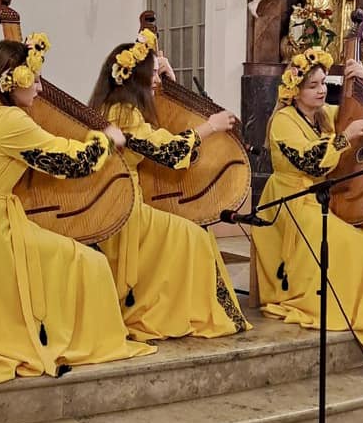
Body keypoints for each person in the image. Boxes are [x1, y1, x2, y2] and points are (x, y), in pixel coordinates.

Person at [0, 34, 155, 384]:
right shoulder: (9, 122)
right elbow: (70, 161)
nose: (41, 89)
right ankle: (84, 338)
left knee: (64, 252)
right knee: (91, 261)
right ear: (15, 80)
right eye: (36, 80)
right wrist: (106, 139)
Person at [89, 28, 251, 342]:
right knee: (193, 235)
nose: (156, 80)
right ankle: (171, 310)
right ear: (134, 76)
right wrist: (210, 126)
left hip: (125, 198)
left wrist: (170, 81)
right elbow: (166, 149)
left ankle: (178, 306)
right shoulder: (123, 113)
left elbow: (162, 127)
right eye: (151, 74)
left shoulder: (121, 107)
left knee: (195, 232)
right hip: (123, 209)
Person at [251, 45, 363, 352]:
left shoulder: (324, 115)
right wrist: (345, 138)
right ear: (295, 91)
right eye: (312, 86)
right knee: (344, 238)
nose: (321, 90)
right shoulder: (283, 120)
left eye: (323, 83)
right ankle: (338, 304)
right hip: (292, 200)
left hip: (325, 194)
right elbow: (310, 162)